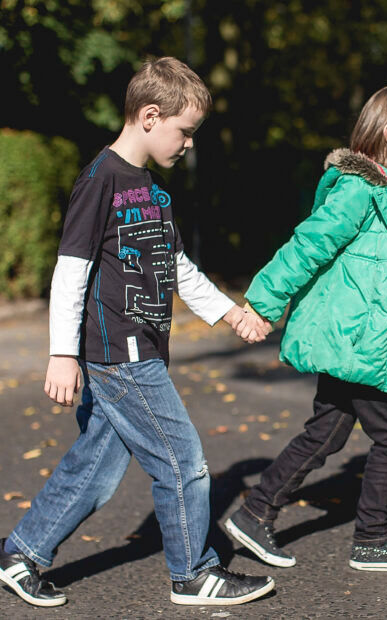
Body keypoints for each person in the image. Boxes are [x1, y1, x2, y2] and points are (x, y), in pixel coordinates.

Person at [0, 57, 274, 608]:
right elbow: (71, 270)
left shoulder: (150, 189)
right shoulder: (99, 179)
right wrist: (61, 354)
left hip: (140, 347)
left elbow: (179, 270)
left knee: (95, 472)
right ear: (150, 116)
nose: (189, 144)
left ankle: (19, 556)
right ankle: (193, 573)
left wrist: (232, 313)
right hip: (118, 354)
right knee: (183, 459)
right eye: (185, 131)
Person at [224, 84, 387, 572]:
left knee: (329, 430)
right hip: (357, 341)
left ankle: (256, 512)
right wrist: (263, 303)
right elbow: (309, 245)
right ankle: (373, 539)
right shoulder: (360, 188)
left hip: (370, 343)